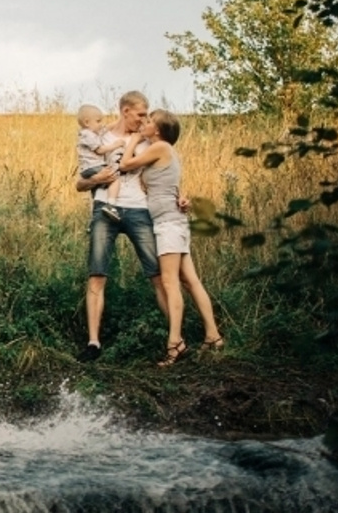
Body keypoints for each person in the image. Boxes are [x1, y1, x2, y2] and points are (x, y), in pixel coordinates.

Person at [118, 109, 224, 366]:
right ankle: (213, 336)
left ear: (159, 130)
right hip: (172, 221)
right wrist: (181, 198)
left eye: (150, 121)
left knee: (170, 282)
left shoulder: (161, 146)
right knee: (189, 280)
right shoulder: (162, 151)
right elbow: (169, 184)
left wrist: (132, 138)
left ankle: (174, 343)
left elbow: (124, 164)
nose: (145, 123)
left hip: (168, 225)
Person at [73, 91, 167, 362]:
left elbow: (162, 174)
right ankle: (93, 343)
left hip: (139, 208)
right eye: (140, 114)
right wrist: (97, 179)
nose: (144, 119)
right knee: (97, 274)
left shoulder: (148, 140)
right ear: (125, 111)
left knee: (157, 274)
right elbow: (80, 183)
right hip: (105, 207)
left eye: (146, 114)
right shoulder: (98, 136)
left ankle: (176, 338)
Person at [76, 104, 125, 223]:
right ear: (87, 122)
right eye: (98, 121)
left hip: (87, 169)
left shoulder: (92, 132)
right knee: (114, 178)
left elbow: (106, 128)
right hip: (93, 166)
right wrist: (115, 145)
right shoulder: (87, 135)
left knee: (95, 193)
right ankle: (111, 205)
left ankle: (92, 221)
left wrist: (121, 119)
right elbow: (99, 150)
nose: (101, 124)